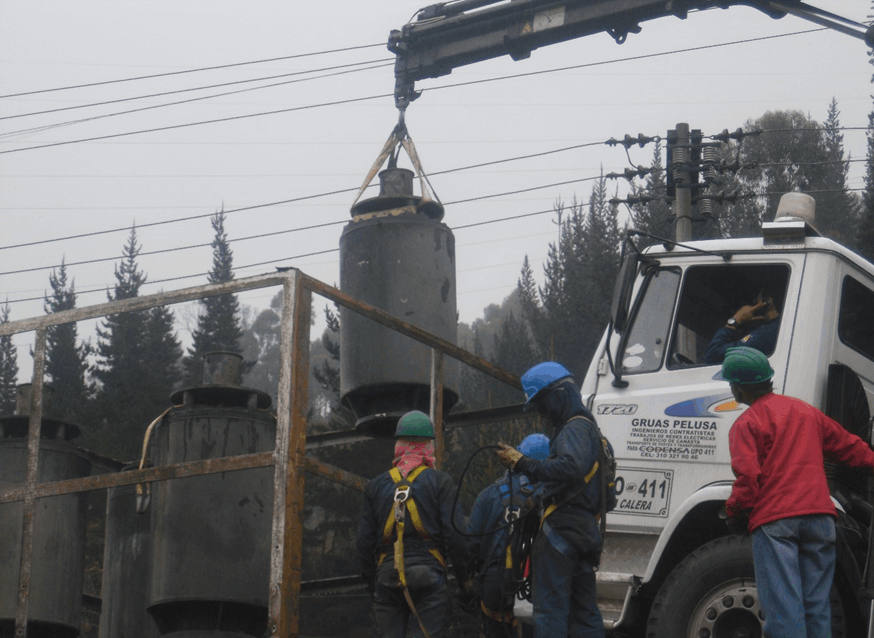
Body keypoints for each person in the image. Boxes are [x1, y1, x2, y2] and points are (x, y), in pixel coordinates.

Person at [721, 346, 874, 638]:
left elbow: (748, 477)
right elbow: (848, 445)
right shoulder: (805, 411)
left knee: (784, 611)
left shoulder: (747, 423)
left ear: (739, 388)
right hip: (821, 520)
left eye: (731, 384)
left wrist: (735, 511)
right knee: (817, 608)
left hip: (777, 523)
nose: (731, 389)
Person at [495, 362, 608, 638]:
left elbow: (570, 467)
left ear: (558, 395)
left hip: (561, 535)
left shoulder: (574, 429)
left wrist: (524, 463)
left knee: (549, 613)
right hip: (583, 534)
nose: (543, 413)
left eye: (542, 404)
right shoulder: (590, 432)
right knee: (584, 615)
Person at [355, 410, 469, 638]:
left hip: (387, 575)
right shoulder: (440, 482)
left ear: (399, 443)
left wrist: (374, 585)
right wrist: (466, 580)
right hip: (428, 573)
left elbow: (363, 544)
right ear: (428, 444)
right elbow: (455, 535)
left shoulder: (375, 486)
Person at [468, 433, 550, 638]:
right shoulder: (552, 496)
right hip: (536, 584)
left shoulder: (489, 494)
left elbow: (471, 541)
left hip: (495, 582)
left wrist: (470, 580)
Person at [705, 290, 780, 364]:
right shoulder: (778, 327)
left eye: (756, 302)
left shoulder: (765, 333)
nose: (753, 306)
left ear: (767, 302)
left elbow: (713, 355)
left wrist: (736, 319)